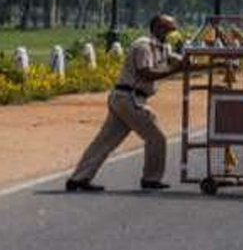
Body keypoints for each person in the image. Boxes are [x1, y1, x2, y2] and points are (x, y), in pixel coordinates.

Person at [65, 14, 187, 192]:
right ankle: (151, 179)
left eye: (173, 28)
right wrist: (173, 69)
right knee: (156, 138)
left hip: (125, 98)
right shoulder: (143, 46)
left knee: (105, 141)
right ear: (157, 29)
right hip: (129, 98)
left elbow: (183, 64)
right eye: (169, 28)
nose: (173, 31)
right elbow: (145, 73)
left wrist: (217, 64)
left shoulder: (162, 48)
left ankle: (78, 179)